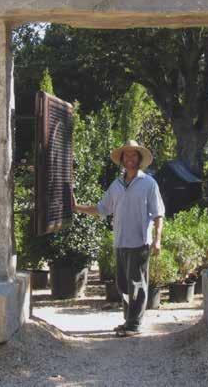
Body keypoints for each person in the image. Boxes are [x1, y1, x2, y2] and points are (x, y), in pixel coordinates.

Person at [73, 140, 165, 337]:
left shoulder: (149, 183)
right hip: (120, 242)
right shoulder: (116, 185)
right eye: (126, 155)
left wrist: (157, 240)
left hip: (139, 243)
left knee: (137, 284)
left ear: (139, 159)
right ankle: (128, 320)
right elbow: (102, 209)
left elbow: (158, 214)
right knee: (123, 285)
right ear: (122, 159)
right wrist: (77, 207)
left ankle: (134, 325)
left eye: (133, 155)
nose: (130, 158)